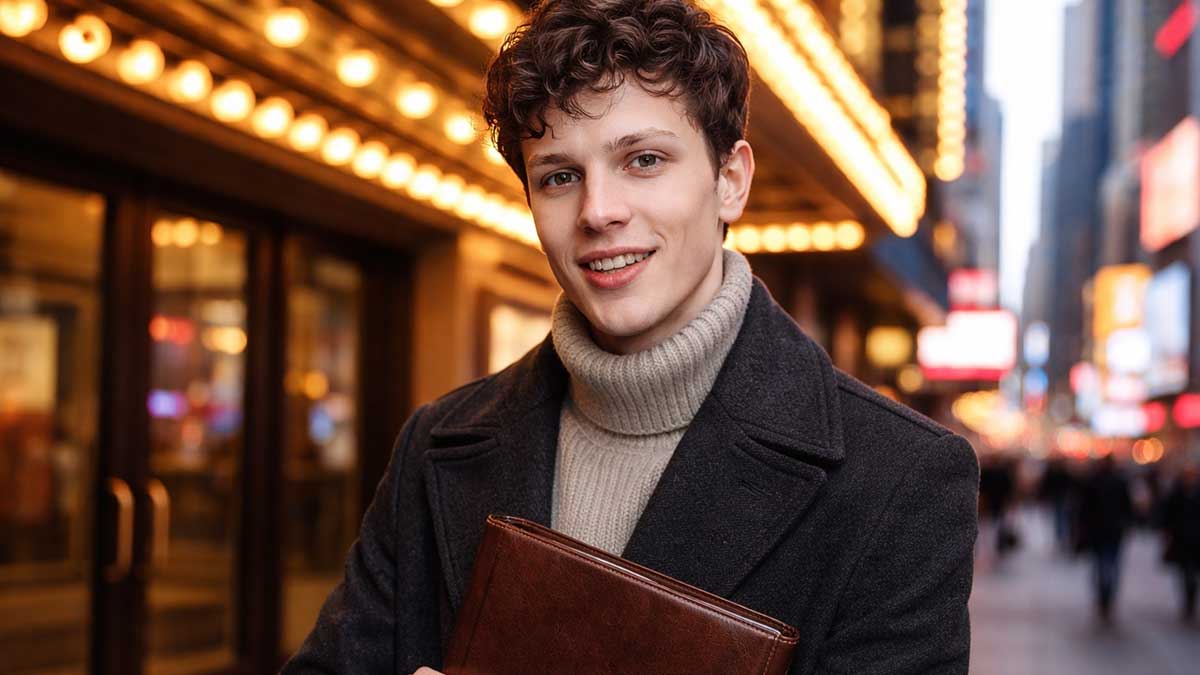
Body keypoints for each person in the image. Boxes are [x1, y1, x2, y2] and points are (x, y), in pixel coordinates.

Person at [282, 1, 979, 672]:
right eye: (559, 176)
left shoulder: (901, 476)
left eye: (643, 159)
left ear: (730, 179)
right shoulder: (436, 441)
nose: (599, 211)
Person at [1076, 454, 1133, 622]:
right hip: (1113, 531)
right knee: (1112, 565)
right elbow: (1127, 507)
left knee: (1100, 564)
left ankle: (1103, 595)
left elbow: (1083, 508)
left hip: (1098, 531)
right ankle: (1108, 596)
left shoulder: (1093, 481)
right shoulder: (1120, 482)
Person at [1161, 462, 1200, 621]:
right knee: (1186, 573)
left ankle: (1191, 599)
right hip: (1183, 540)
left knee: (1192, 573)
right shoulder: (1176, 494)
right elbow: (1168, 514)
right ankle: (1188, 600)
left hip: (1196, 541)